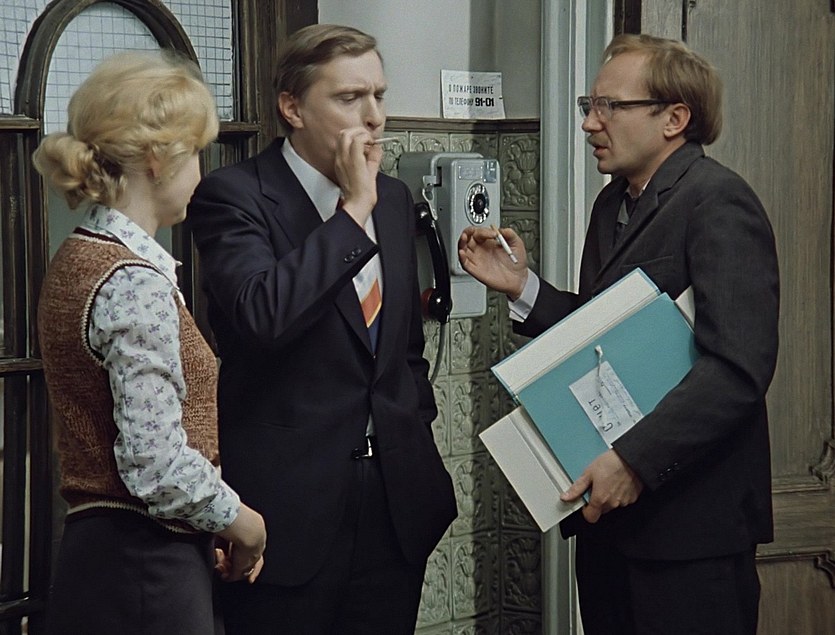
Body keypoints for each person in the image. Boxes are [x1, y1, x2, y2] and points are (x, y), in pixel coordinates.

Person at [459, 34, 779, 635]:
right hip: (611, 530)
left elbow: (737, 369)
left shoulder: (718, 202)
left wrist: (632, 461)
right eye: (590, 105)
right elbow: (601, 339)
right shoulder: (612, 205)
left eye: (610, 106)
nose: (589, 123)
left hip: (691, 538)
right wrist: (523, 287)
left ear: (674, 119)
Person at [186, 24, 457, 634]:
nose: (373, 117)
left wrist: (415, 435)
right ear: (293, 107)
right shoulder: (234, 196)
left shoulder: (394, 198)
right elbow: (261, 317)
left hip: (395, 506)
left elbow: (405, 351)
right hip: (287, 511)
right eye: (349, 98)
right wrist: (352, 212)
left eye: (379, 96)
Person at [34, 50, 267, 635]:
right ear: (159, 159)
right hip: (144, 566)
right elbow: (154, 462)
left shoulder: (80, 256)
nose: (201, 175)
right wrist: (244, 523)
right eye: (196, 154)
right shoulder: (131, 280)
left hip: (108, 560)